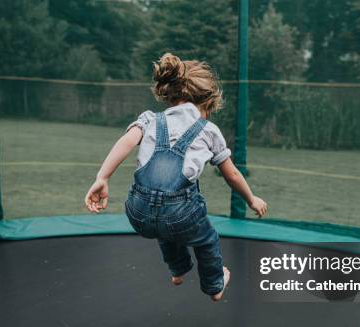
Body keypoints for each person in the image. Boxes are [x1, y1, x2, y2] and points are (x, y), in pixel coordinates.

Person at [84, 53, 267, 301]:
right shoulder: (209, 131)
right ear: (206, 102)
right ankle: (215, 285)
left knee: (163, 223)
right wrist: (251, 199)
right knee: (205, 239)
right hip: (180, 214)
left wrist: (102, 177)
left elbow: (126, 141)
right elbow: (232, 174)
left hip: (138, 213)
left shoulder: (150, 119)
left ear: (171, 94)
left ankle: (178, 270)